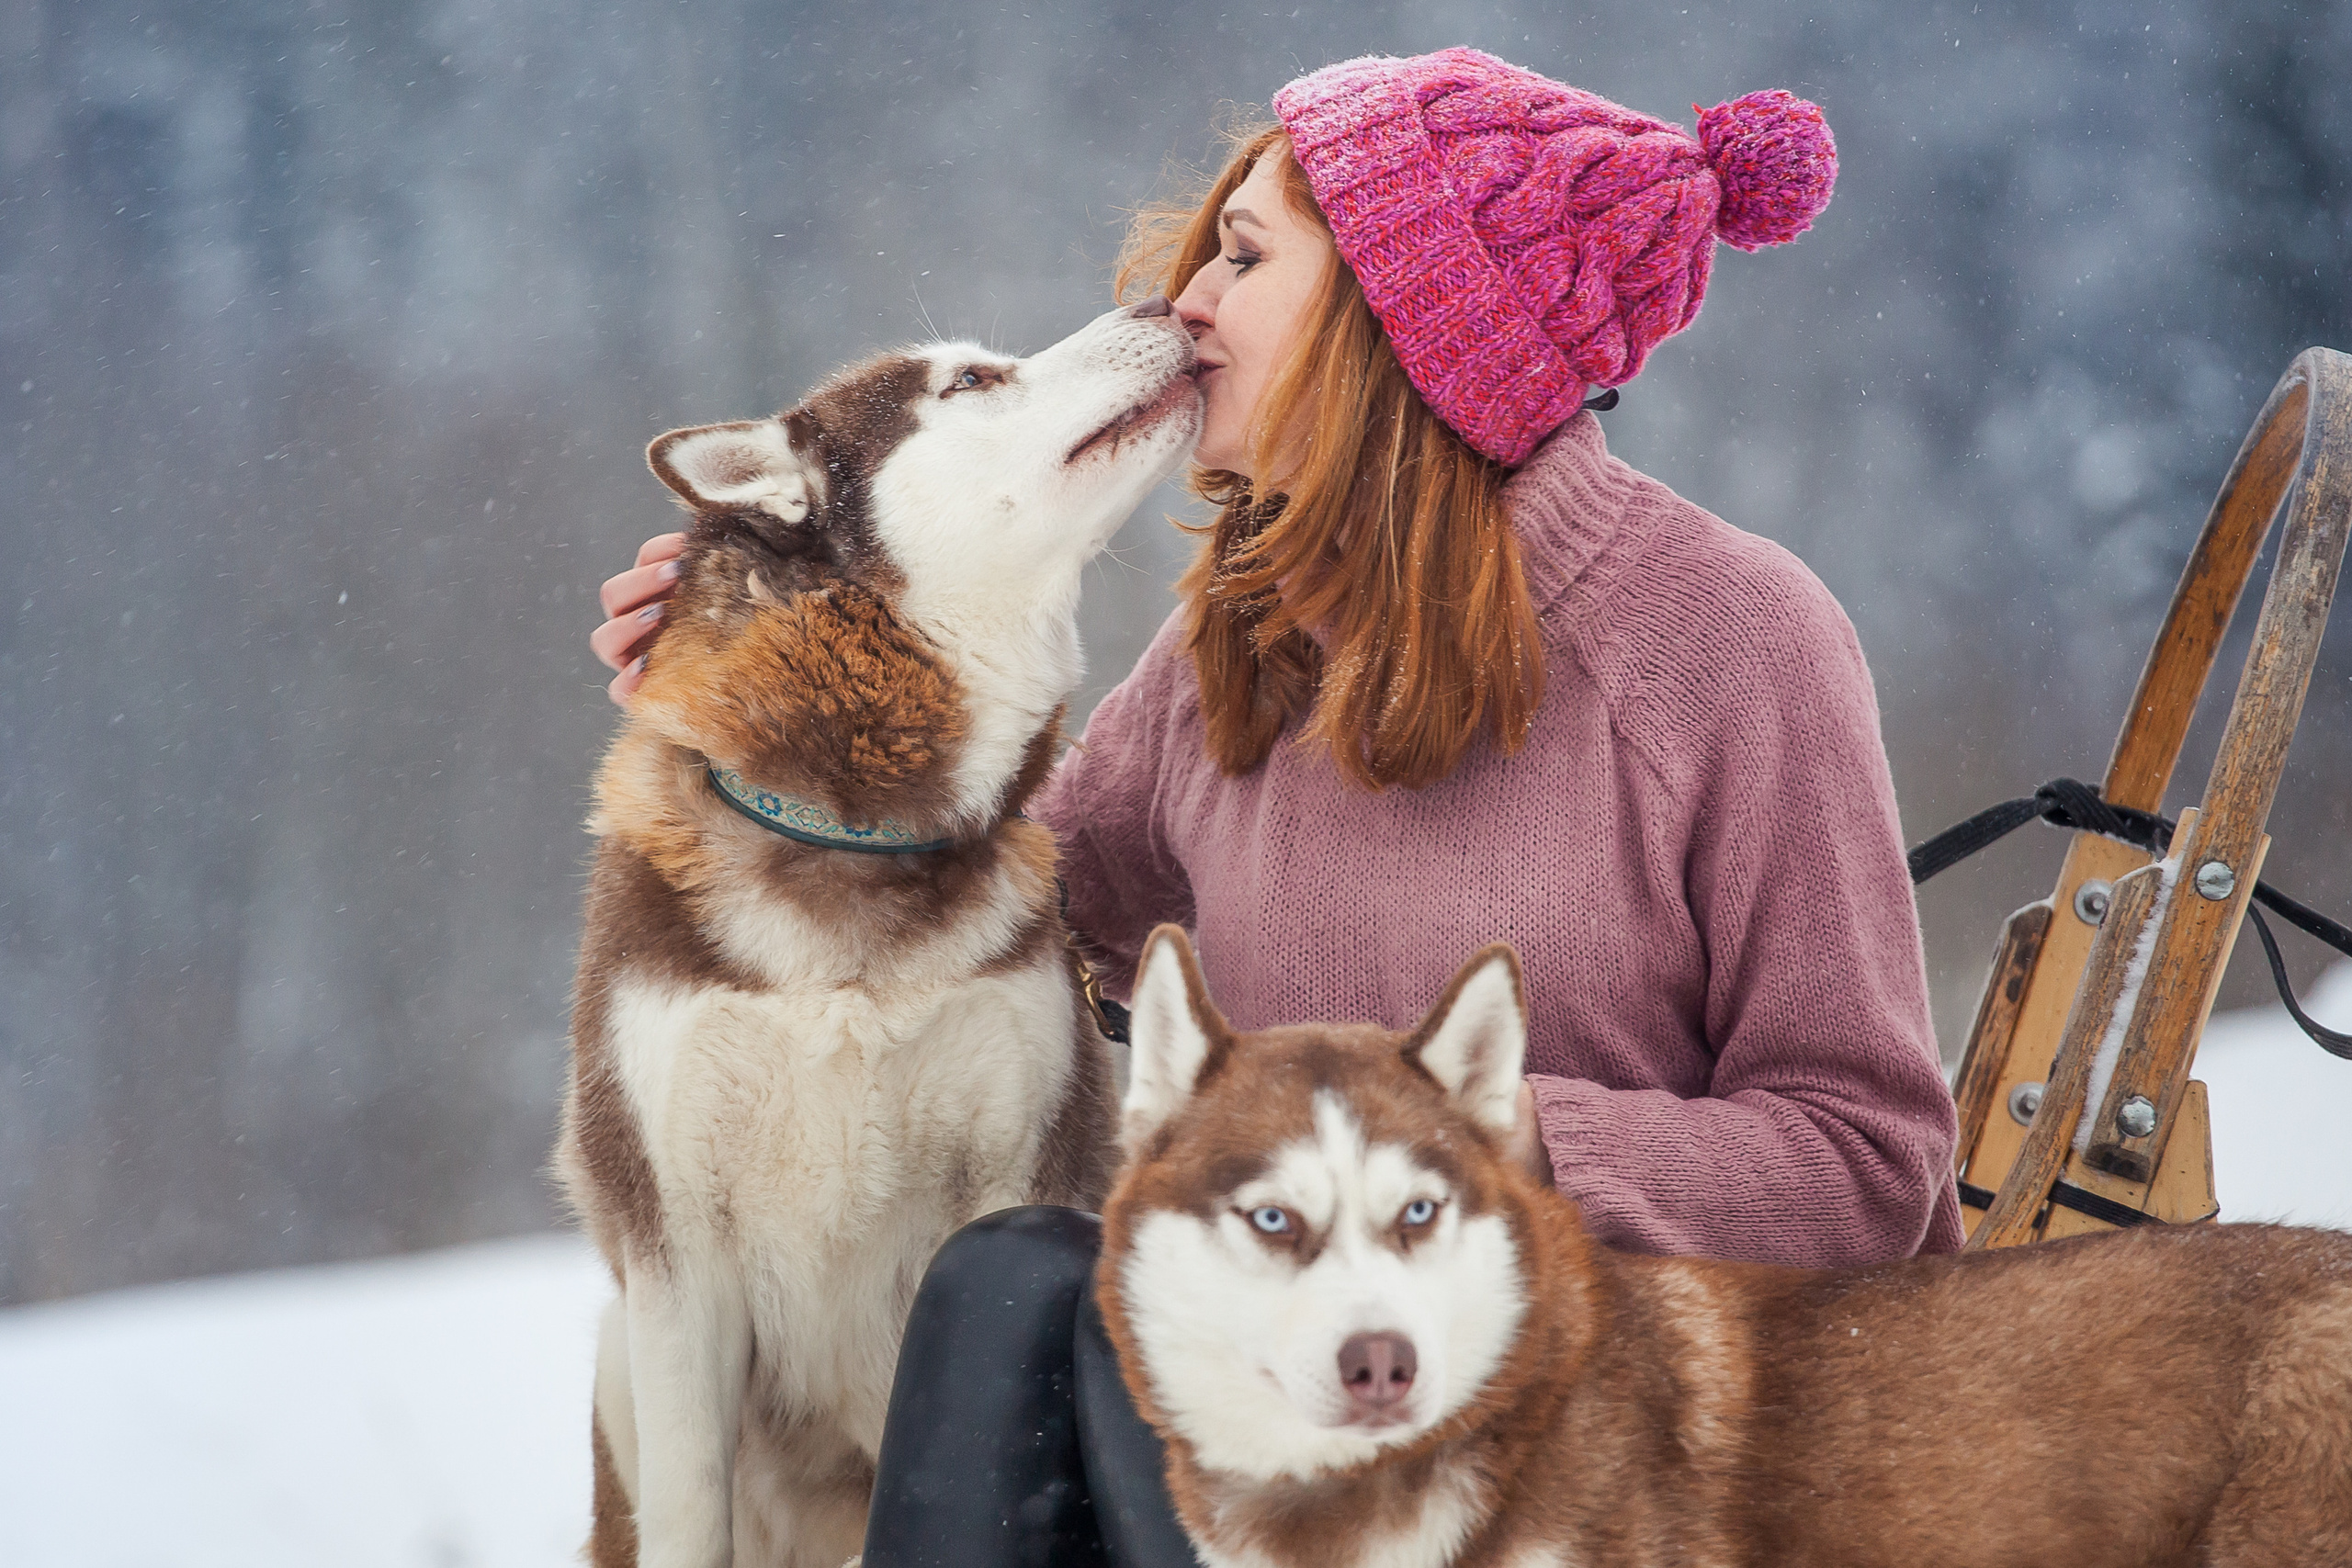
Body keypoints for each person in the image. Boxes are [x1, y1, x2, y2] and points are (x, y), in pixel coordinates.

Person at [590, 47, 1962, 1566]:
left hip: (1590, 1424)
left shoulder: (1730, 639)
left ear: (1406, 318)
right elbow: (1002, 899)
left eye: (1244, 259)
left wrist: (1473, 1137)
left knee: (1102, 1315)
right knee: (1016, 1279)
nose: (1188, 301)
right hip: (1268, 1390)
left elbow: (1868, 1164)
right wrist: (783, 685)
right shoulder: (1237, 643)